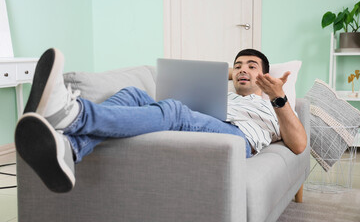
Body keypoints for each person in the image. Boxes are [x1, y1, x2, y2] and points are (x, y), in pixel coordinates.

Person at [15, 48, 307, 193]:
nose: (243, 70)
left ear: (265, 73)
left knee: (174, 110)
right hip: (204, 122)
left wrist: (277, 95)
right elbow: (230, 76)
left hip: (237, 138)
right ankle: (71, 148)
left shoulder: (275, 103)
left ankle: (74, 114)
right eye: (238, 66)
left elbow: (299, 144)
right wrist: (235, 73)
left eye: (251, 66)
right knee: (133, 93)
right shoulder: (223, 95)